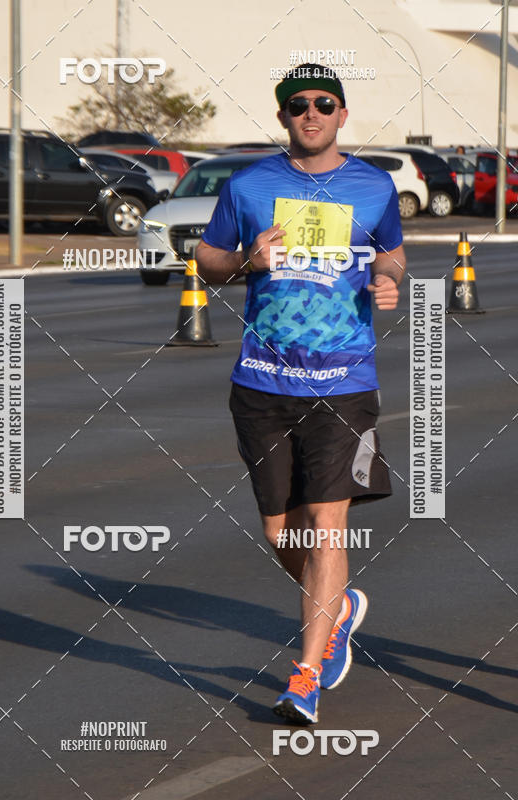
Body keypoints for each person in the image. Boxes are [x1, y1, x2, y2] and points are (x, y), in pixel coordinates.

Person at [196, 64, 406, 724]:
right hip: (261, 381)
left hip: (344, 383)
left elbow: (393, 252)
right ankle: (338, 608)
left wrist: (388, 280)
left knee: (326, 524)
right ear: (283, 116)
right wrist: (244, 263)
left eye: (324, 104)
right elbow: (205, 258)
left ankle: (307, 673)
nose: (310, 113)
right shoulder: (249, 186)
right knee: (279, 530)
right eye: (297, 105)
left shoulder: (374, 187)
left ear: (342, 114)